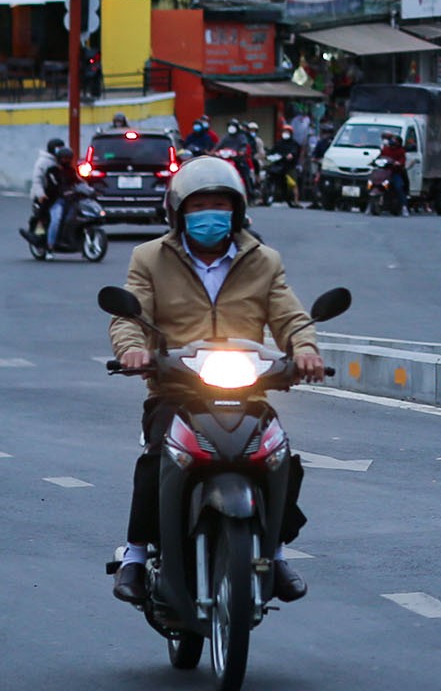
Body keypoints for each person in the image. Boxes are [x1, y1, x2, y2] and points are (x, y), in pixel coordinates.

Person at [107, 155, 326, 608]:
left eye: (219, 204)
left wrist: (304, 351)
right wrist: (133, 350)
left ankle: (277, 552)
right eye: (199, 204)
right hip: (176, 389)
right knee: (156, 457)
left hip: (246, 390)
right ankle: (135, 552)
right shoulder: (148, 258)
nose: (210, 213)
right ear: (178, 212)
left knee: (280, 455)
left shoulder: (264, 261)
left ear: (238, 210)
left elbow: (291, 316)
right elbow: (130, 317)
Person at [32, 137, 76, 249]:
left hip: (62, 195)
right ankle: (50, 245)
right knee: (56, 218)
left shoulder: (63, 162)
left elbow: (74, 178)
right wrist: (41, 194)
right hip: (48, 196)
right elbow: (37, 180)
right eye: (58, 148)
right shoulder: (43, 163)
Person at [369, 130, 411, 216]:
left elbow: (402, 161)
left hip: (395, 172)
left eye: (395, 140)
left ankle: (404, 207)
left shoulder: (401, 151)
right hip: (383, 172)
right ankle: (369, 205)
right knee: (372, 183)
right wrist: (374, 161)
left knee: (398, 187)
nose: (392, 142)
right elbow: (380, 157)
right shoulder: (386, 149)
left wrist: (398, 163)